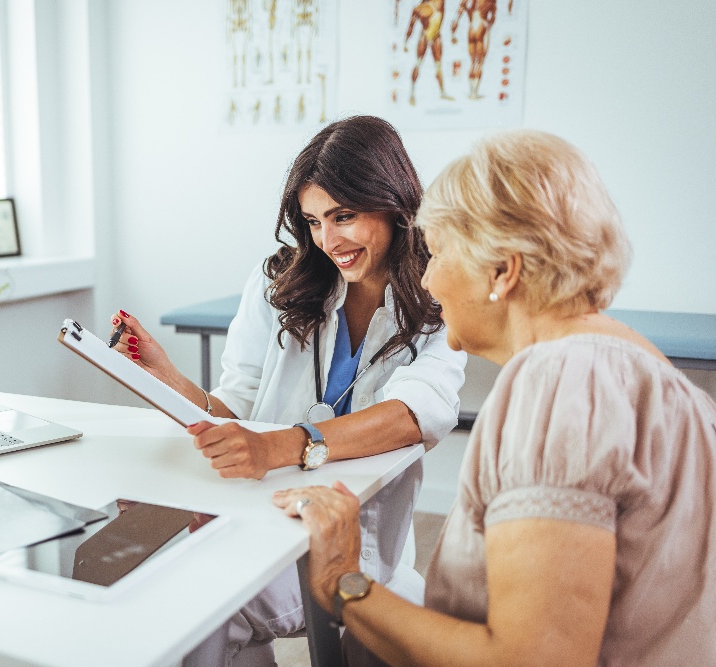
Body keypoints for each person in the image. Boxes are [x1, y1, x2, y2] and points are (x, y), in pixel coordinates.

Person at [273, 129, 716, 665]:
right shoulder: (639, 368)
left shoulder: (559, 382)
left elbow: (532, 658)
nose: (429, 280)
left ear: (502, 271)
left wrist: (344, 583)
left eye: (437, 255)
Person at [108, 115, 467, 664]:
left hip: (356, 539)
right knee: (168, 586)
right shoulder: (279, 282)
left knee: (207, 603)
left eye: (345, 216)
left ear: (394, 204)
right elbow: (235, 407)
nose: (329, 240)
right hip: (260, 516)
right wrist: (167, 380)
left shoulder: (437, 290)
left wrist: (278, 447)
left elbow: (417, 414)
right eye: (314, 221)